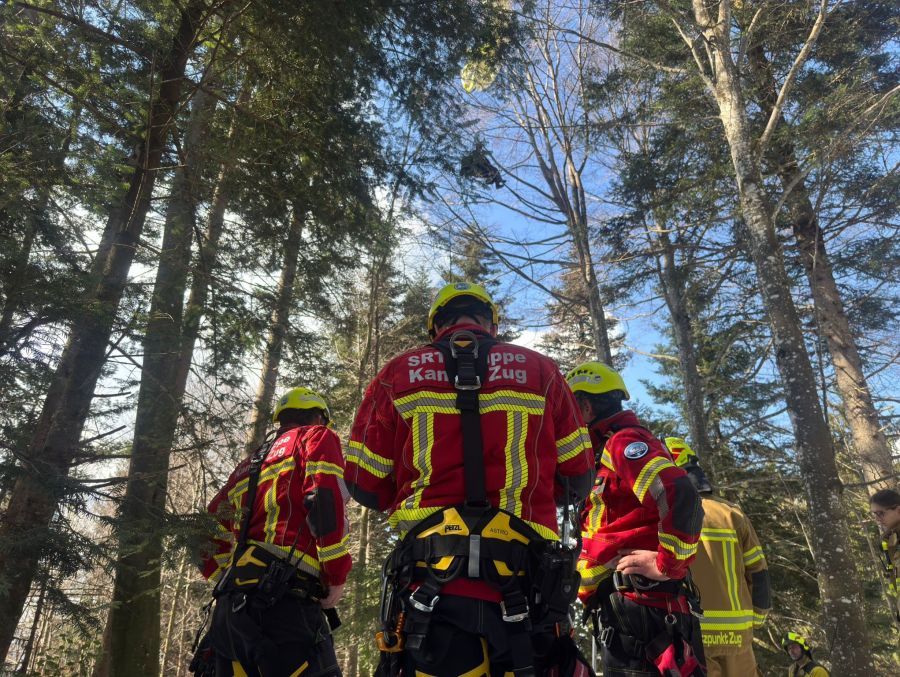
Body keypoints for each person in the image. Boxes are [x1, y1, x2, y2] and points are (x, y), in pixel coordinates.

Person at [346, 281, 596, 676]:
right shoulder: (543, 371)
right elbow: (578, 477)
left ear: (435, 326)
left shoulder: (398, 373)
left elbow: (364, 482)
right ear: (491, 325)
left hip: (430, 589)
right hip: (527, 588)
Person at [198, 387, 350, 677]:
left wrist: (231, 577)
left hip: (230, 618)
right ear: (319, 417)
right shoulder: (316, 437)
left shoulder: (246, 466)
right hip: (286, 606)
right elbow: (323, 500)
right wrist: (335, 575)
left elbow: (202, 535)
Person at [567, 362, 705, 676]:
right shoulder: (603, 453)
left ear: (585, 408)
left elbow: (680, 493)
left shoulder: (624, 442)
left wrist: (667, 565)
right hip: (627, 611)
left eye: (570, 413)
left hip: (643, 610)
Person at [664, 438, 771, 677]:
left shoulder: (667, 516)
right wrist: (755, 621)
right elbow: (759, 574)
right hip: (738, 638)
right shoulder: (732, 514)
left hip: (692, 635)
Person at [870, 488, 900, 628]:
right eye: (874, 514)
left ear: (898, 510)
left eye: (881, 513)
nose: (877, 519)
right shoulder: (891, 541)